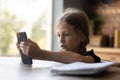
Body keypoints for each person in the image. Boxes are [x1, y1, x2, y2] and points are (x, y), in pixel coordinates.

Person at [17, 8, 101, 63]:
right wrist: (30, 53)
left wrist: (40, 53)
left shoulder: (90, 57)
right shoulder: (58, 57)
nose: (61, 40)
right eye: (58, 35)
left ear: (82, 36)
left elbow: (78, 60)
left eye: (66, 35)